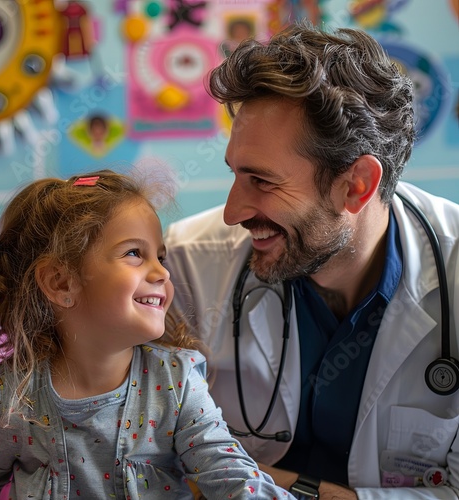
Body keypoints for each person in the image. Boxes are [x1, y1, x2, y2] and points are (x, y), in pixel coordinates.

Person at [164, 21, 459, 499]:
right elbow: (154, 460)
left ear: (356, 185)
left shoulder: (455, 274)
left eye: (262, 181)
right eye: (236, 174)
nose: (232, 211)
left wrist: (274, 486)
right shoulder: (187, 266)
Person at [0, 169, 295, 499]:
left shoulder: (177, 384)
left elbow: (230, 475)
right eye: (134, 253)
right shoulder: (7, 396)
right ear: (61, 282)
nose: (162, 271)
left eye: (160, 256)